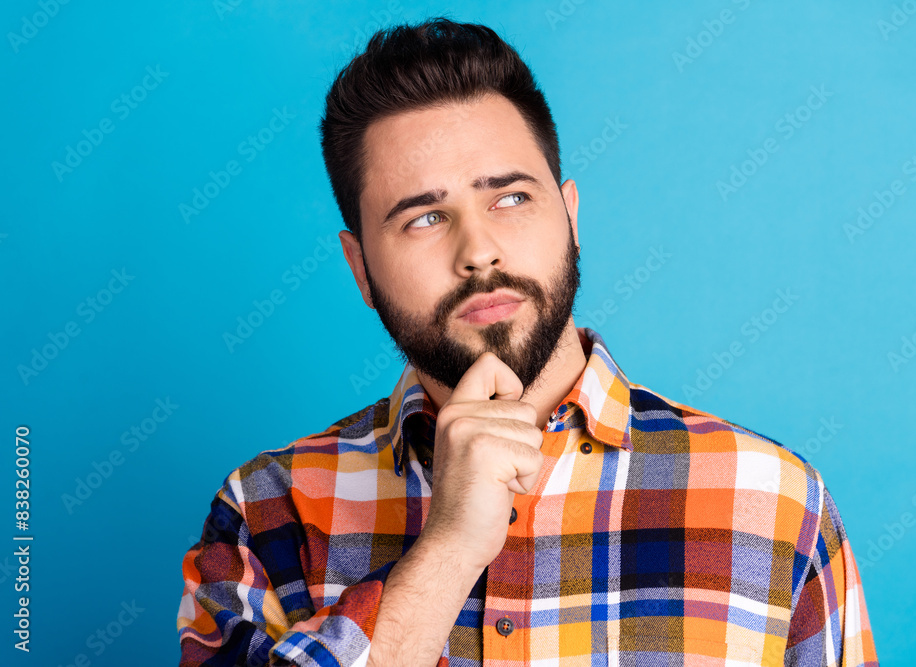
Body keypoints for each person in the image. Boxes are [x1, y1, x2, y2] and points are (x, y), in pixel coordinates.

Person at [177, 17, 879, 667]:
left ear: (570, 217)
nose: (478, 250)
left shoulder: (776, 504)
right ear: (360, 268)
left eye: (510, 198)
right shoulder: (264, 512)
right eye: (423, 218)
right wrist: (448, 549)